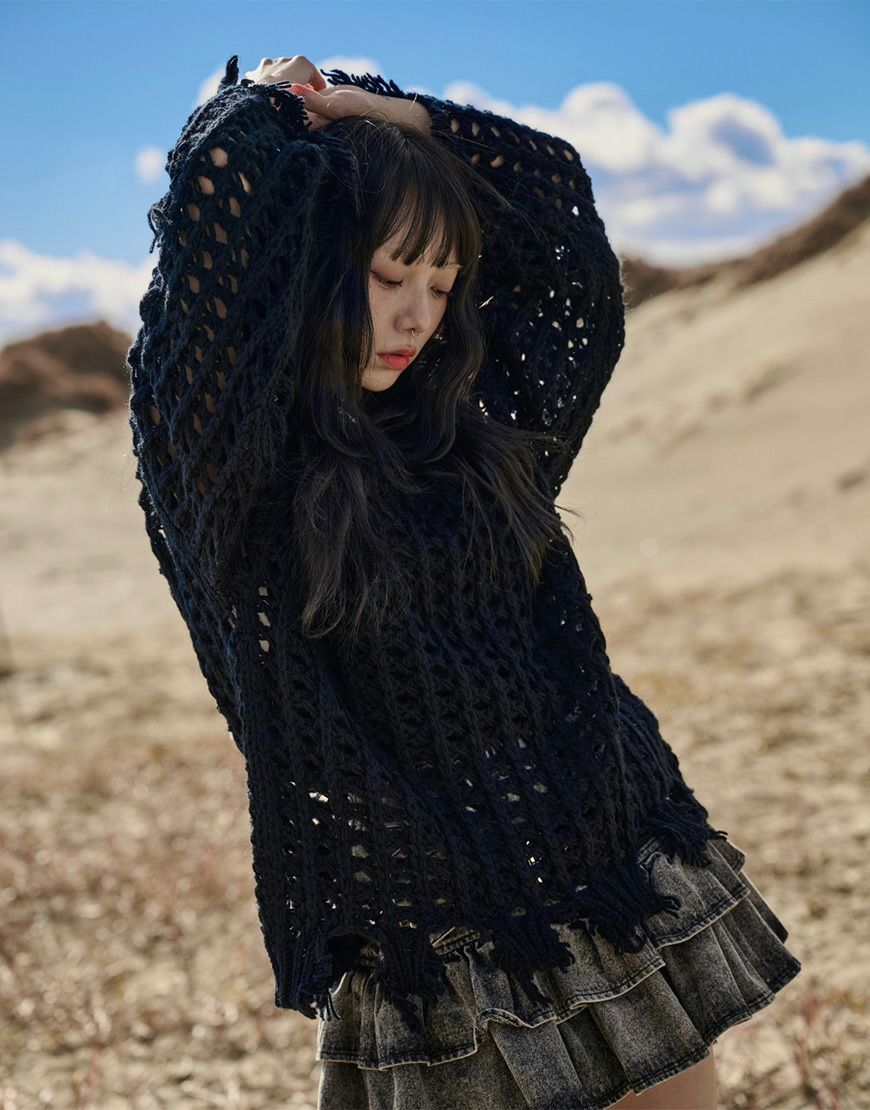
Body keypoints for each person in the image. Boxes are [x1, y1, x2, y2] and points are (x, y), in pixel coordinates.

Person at [127, 53, 802, 1110]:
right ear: (304, 263)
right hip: (432, 920)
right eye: (387, 276)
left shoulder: (476, 430)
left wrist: (396, 115)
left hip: (603, 842)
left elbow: (564, 234)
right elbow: (203, 249)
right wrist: (261, 107)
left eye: (441, 286)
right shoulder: (233, 481)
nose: (417, 316)